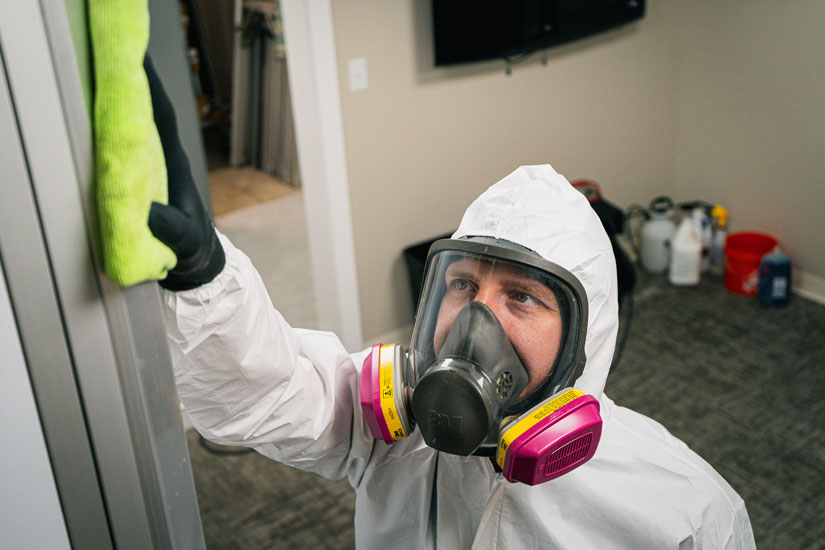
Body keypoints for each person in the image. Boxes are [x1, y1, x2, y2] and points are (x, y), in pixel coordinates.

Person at [146, 61, 755, 548]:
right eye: (463, 286)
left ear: (582, 339)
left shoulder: (684, 512)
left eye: (521, 296)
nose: (474, 321)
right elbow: (268, 393)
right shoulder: (395, 433)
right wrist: (205, 279)